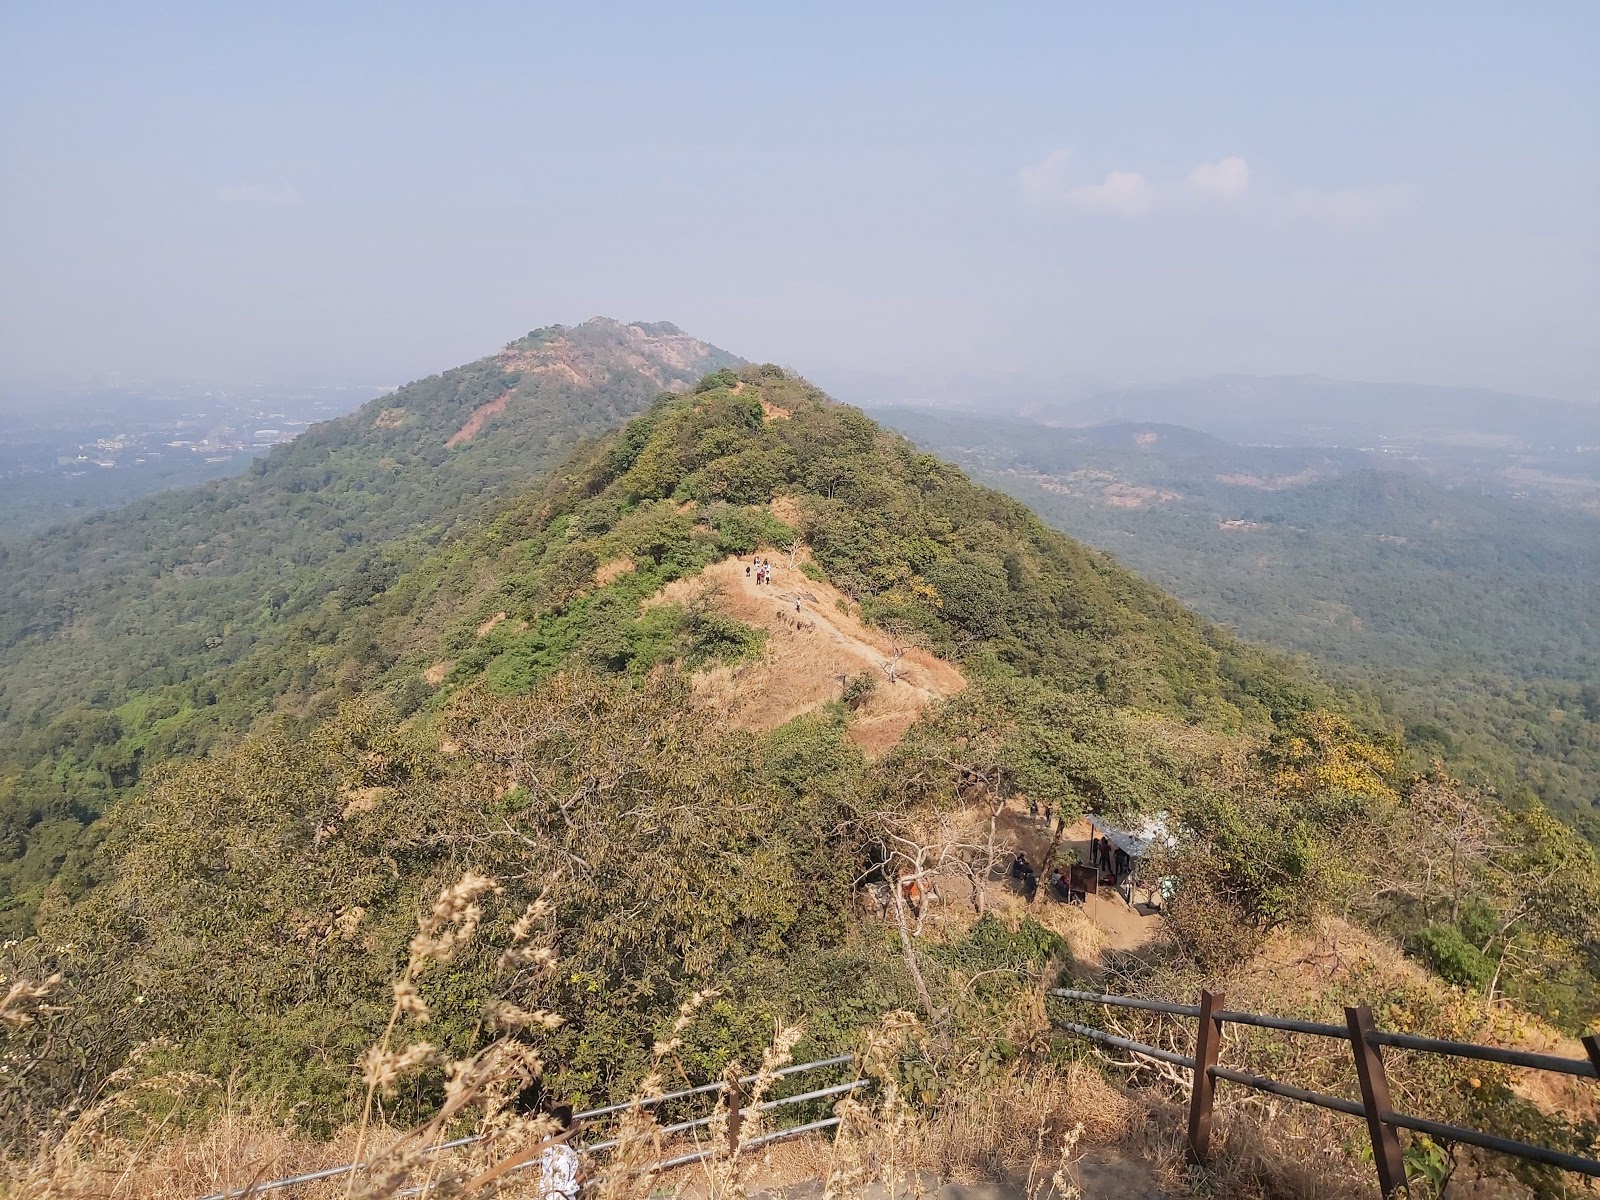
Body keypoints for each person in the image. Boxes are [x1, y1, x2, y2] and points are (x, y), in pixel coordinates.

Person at [538, 1105, 580, 1200]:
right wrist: (585, 1174)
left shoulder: (547, 1140)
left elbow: (558, 1140)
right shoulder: (563, 1158)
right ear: (568, 1127)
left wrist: (571, 1132)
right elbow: (562, 1190)